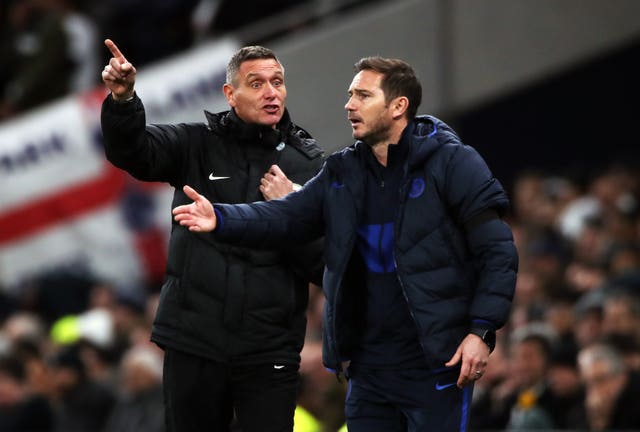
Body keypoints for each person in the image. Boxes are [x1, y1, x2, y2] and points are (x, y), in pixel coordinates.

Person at [173, 56, 519, 431]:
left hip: (436, 363)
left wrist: (482, 331)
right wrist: (221, 217)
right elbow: (285, 216)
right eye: (350, 94)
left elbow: (498, 252)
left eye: (362, 96)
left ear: (398, 106)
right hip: (368, 369)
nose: (349, 105)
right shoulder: (342, 170)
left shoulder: (453, 163)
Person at [100, 40, 324, 431]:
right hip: (194, 341)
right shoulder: (195, 144)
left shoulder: (308, 165)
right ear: (230, 94)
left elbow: (323, 263)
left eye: (278, 82)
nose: (271, 92)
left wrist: (291, 209)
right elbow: (132, 152)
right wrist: (123, 101)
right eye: (256, 83)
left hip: (268, 348)